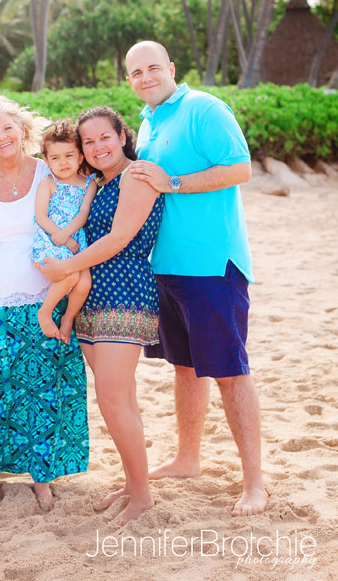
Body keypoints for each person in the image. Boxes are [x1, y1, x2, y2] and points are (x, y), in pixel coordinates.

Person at [125, 39, 267, 517]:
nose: (146, 77)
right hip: (165, 267)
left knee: (230, 372)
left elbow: (241, 168)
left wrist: (175, 182)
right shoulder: (149, 121)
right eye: (136, 73)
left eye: (152, 68)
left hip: (212, 266)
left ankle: (254, 483)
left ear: (170, 67)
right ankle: (188, 459)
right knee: (185, 367)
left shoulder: (203, 108)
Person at [0, 97, 89, 510]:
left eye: (7, 128)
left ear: (23, 130)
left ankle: (42, 480)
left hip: (47, 298)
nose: (2, 137)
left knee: (45, 392)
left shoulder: (52, 170)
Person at [39, 107, 164, 523]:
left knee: (112, 398)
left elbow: (120, 236)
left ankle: (143, 496)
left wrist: (65, 269)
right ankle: (134, 482)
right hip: (93, 292)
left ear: (122, 135)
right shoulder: (98, 182)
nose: (97, 147)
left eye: (104, 138)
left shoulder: (138, 175)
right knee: (121, 397)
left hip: (126, 291)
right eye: (88, 142)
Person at [32, 119, 97, 343]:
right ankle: (45, 311)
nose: (63, 162)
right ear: (47, 161)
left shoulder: (89, 183)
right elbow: (40, 216)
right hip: (52, 237)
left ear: (80, 157)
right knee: (71, 276)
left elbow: (84, 212)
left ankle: (69, 318)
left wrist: (69, 235)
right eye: (55, 158)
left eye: (69, 155)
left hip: (76, 237)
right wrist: (62, 237)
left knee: (85, 282)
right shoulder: (48, 183)